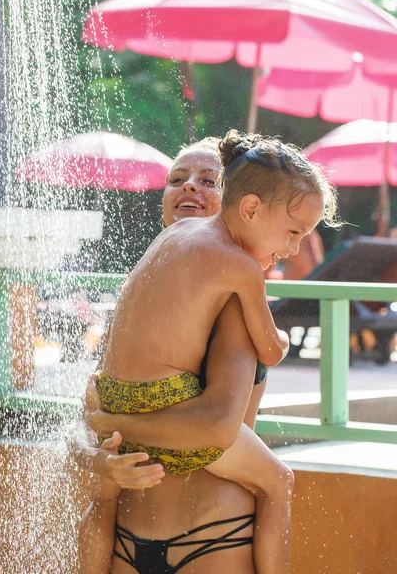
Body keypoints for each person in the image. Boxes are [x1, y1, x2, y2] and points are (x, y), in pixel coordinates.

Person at [78, 130, 339, 574]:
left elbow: (214, 421)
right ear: (252, 207)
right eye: (177, 177)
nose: (190, 186)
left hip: (210, 540)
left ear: (237, 199)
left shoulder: (225, 296)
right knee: (278, 481)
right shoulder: (151, 284)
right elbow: (83, 426)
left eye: (209, 179)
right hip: (135, 537)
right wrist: (98, 458)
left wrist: (111, 428)